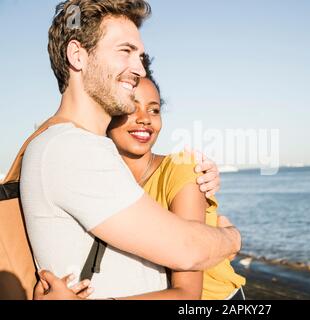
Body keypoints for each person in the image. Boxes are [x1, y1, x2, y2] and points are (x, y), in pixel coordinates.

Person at [21, 0, 241, 300]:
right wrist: (231, 238)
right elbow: (188, 250)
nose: (138, 69)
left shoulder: (81, 147)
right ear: (78, 55)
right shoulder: (71, 150)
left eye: (139, 56)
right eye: (125, 51)